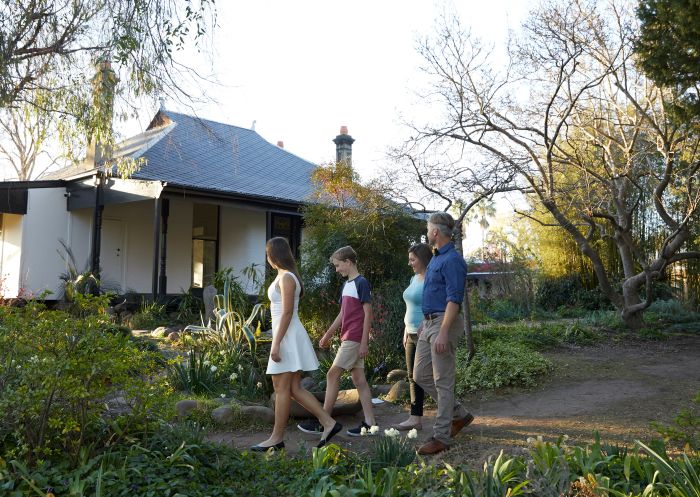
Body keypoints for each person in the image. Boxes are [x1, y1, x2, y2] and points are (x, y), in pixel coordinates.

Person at [251, 237, 342, 451]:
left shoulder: (287, 278)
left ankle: (276, 438)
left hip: (287, 337)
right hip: (287, 335)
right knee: (293, 388)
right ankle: (328, 423)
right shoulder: (284, 276)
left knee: (281, 388)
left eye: (268, 254)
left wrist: (276, 344)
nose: (267, 258)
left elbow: (287, 312)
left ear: (273, 255)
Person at [297, 246, 378, 437]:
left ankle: (324, 421)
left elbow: (368, 314)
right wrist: (327, 334)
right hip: (348, 336)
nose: (337, 269)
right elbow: (342, 314)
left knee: (332, 375)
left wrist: (364, 342)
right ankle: (370, 424)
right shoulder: (347, 285)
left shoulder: (361, 283)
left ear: (348, 262)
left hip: (354, 338)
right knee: (359, 380)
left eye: (338, 265)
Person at [414, 212, 474, 456]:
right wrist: (424, 323)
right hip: (429, 324)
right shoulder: (436, 259)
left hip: (443, 323)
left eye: (428, 229)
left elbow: (453, 300)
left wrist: (443, 332)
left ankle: (441, 437)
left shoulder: (453, 261)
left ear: (436, 232)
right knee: (420, 375)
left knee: (443, 381)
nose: (427, 233)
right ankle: (459, 415)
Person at [394, 243, 432, 431]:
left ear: (423, 259)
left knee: (425, 376)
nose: (409, 263)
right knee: (412, 377)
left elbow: (433, 305)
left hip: (426, 334)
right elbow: (410, 306)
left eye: (412, 259)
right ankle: (415, 419)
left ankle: (451, 412)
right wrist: (405, 331)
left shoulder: (431, 279)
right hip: (410, 333)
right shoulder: (413, 278)